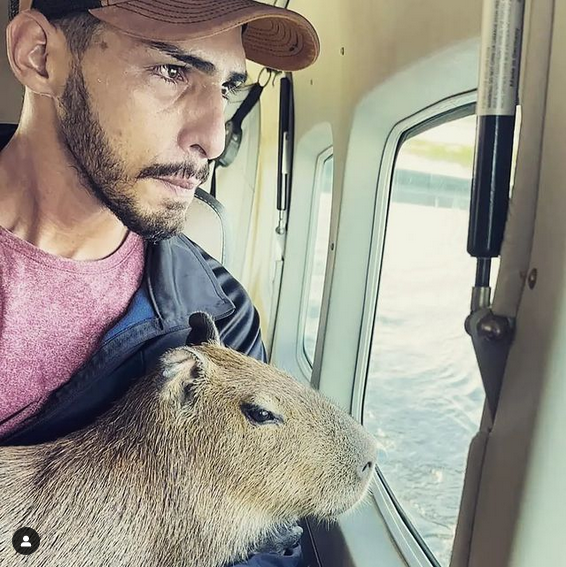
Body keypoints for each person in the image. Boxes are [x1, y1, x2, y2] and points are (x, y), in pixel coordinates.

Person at [0, 1, 319, 565]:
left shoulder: (219, 319)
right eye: (172, 71)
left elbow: (259, 547)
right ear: (39, 56)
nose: (214, 138)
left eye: (228, 90)